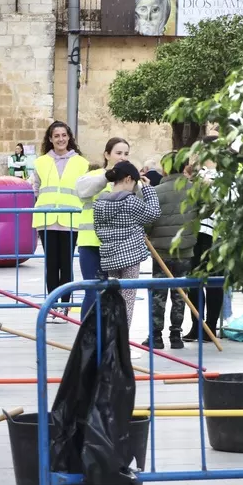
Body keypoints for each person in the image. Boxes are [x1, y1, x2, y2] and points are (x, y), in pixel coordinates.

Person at [93, 161, 160, 328]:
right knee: (127, 300)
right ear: (129, 179)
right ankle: (122, 343)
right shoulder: (129, 201)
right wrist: (148, 190)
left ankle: (110, 338)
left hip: (109, 256)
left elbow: (97, 229)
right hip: (130, 256)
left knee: (114, 299)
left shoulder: (100, 202)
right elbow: (153, 213)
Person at [32, 122, 86, 318]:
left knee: (66, 264)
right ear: (50, 139)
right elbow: (36, 188)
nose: (61, 139)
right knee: (51, 264)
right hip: (46, 219)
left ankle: (65, 304)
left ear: (69, 137)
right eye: (57, 136)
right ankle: (52, 304)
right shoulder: (41, 162)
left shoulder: (81, 162)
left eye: (64, 135)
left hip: (70, 219)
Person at [75, 138, 131, 321]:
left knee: (113, 295)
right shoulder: (95, 175)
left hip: (116, 246)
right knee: (93, 292)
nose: (122, 157)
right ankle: (88, 338)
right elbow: (82, 191)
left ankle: (109, 338)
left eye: (126, 154)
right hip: (91, 243)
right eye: (118, 153)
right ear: (107, 154)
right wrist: (107, 176)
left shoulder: (128, 180)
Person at [145, 157, 197, 350]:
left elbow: (147, 218)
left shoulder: (155, 192)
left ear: (165, 170)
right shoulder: (193, 189)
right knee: (180, 293)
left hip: (160, 249)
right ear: (184, 167)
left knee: (158, 294)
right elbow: (210, 207)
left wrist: (150, 234)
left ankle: (156, 336)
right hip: (185, 249)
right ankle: (176, 335)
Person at [186, 144, 224, 342]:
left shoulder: (225, 176)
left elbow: (229, 201)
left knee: (215, 281)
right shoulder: (194, 175)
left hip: (215, 234)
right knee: (193, 281)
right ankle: (196, 324)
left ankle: (211, 325)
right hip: (195, 233)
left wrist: (211, 188)